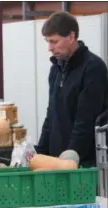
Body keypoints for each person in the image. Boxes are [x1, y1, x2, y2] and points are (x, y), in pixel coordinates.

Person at [35, 12, 108, 167]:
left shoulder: (93, 68)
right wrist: (40, 153)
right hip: (58, 160)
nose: (49, 48)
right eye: (47, 42)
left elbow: (85, 121)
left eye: (54, 41)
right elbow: (51, 115)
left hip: (84, 163)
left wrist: (69, 160)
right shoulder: (56, 68)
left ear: (71, 37)